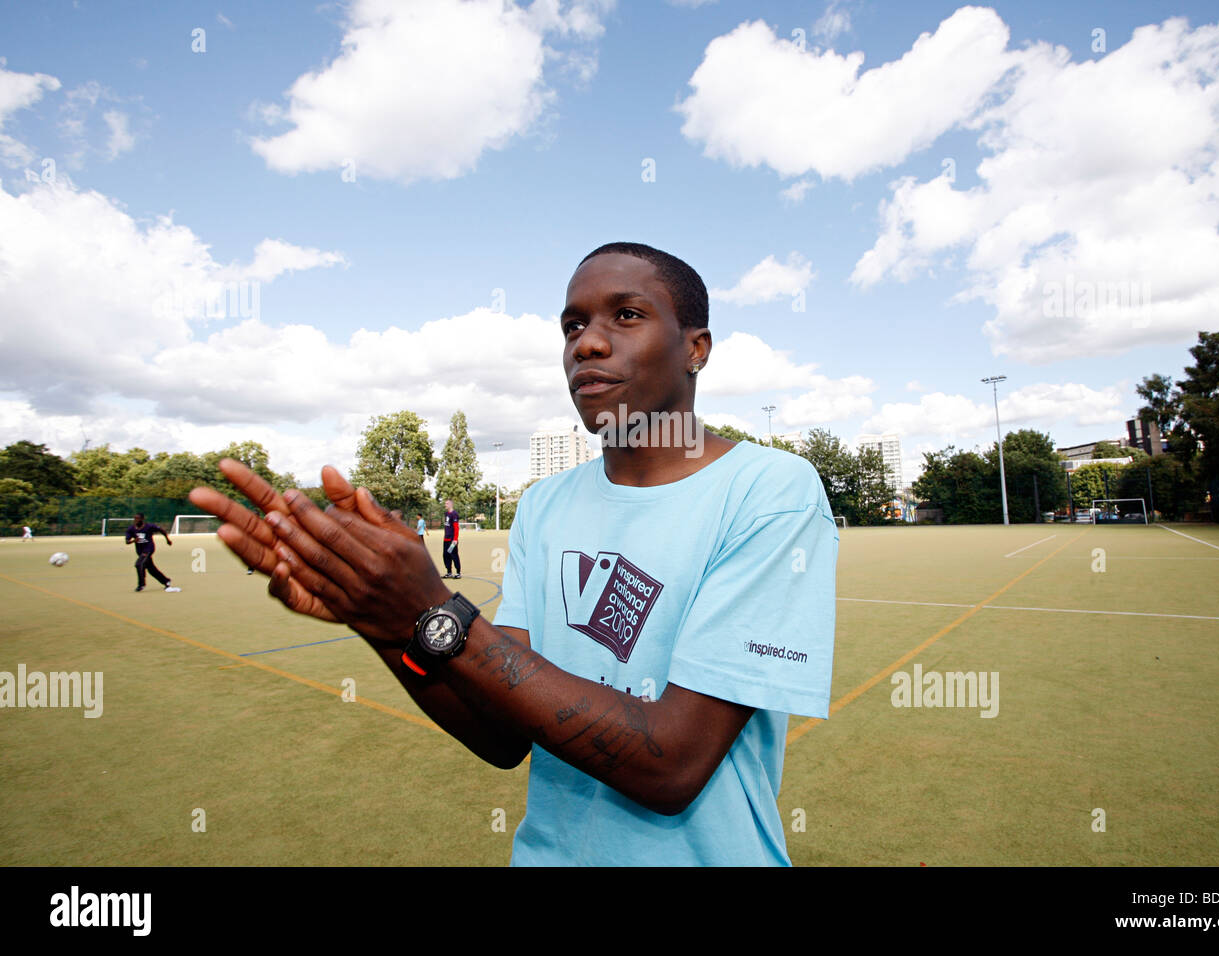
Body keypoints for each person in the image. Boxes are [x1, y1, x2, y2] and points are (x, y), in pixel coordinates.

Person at [189, 242, 838, 865]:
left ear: (696, 348)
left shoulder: (770, 491)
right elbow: (501, 735)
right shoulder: (545, 504)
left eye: (626, 315)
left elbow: (672, 766)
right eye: (572, 325)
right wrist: (384, 620)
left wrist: (435, 609)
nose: (587, 342)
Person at [126, 513, 181, 592]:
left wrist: (167, 540)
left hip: (148, 549)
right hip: (140, 551)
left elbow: (162, 530)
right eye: (135, 518)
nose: (136, 520)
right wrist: (134, 540)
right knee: (151, 569)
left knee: (139, 564)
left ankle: (141, 584)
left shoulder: (149, 526)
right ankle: (166, 581)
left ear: (142, 519)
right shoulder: (131, 529)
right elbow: (127, 541)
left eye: (138, 518)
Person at [441, 499, 460, 579]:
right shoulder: (446, 514)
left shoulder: (454, 514)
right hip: (446, 539)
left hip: (452, 540)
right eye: (445, 503)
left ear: (451, 505)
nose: (445, 505)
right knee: (446, 555)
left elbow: (456, 528)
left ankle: (458, 573)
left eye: (447, 503)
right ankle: (449, 572)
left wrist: (455, 539)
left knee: (454, 555)